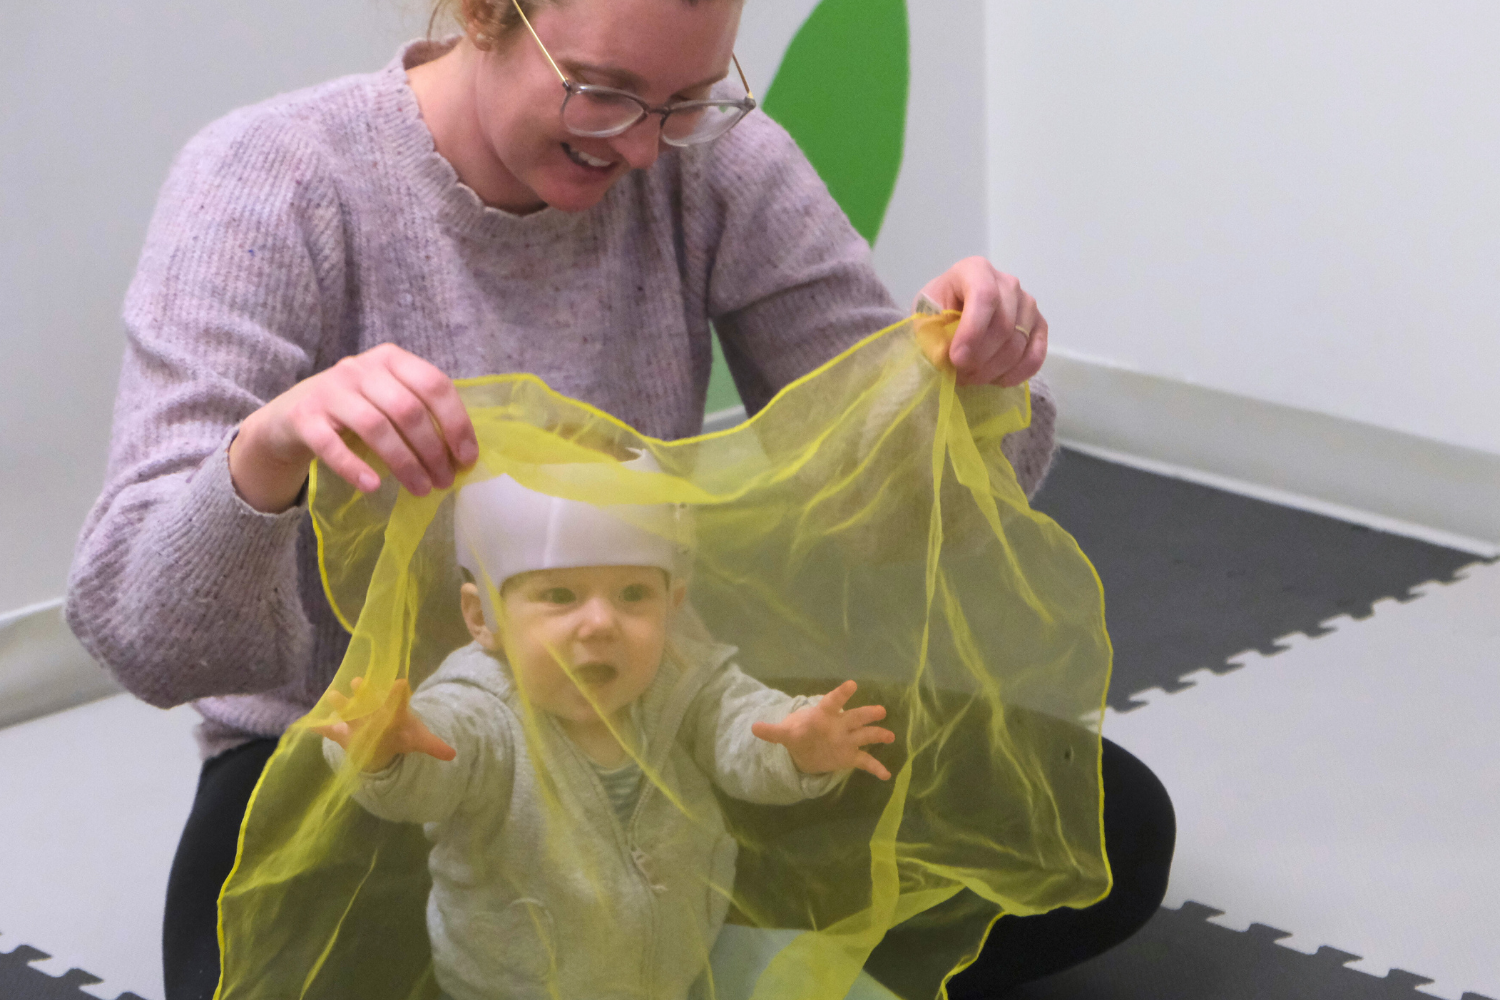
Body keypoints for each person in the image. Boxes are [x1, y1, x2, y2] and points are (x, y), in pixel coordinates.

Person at [64, 0, 1170, 996]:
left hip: (652, 711)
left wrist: (967, 389)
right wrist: (267, 452)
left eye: (687, 98)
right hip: (387, 747)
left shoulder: (716, 166)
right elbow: (145, 633)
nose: (639, 144)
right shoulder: (272, 178)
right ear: (487, 14)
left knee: (1101, 826)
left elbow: (903, 519)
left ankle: (689, 948)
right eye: (602, 89)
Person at [316, 464, 895, 1000]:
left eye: (634, 594)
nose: (601, 623)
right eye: (560, 595)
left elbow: (738, 723)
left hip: (686, 962)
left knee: (820, 976)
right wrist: (387, 754)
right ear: (481, 617)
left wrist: (797, 744)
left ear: (672, 604)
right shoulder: (481, 705)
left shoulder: (676, 677)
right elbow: (440, 756)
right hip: (521, 989)